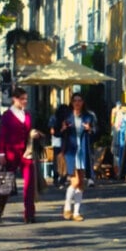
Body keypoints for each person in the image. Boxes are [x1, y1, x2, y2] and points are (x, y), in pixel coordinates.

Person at [0, 87, 36, 223]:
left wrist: (34, 135)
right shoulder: (7, 115)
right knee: (6, 184)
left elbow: (29, 131)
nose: (25, 101)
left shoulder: (27, 114)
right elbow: (2, 136)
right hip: (11, 153)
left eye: (26, 99)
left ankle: (29, 213)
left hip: (26, 153)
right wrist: (1, 154)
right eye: (22, 99)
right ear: (14, 99)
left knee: (29, 183)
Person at [61, 93, 96, 221]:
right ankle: (67, 207)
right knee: (74, 181)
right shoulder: (67, 118)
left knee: (81, 183)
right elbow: (58, 133)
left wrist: (90, 129)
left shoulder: (88, 117)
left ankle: (76, 212)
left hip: (83, 152)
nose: (77, 103)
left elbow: (95, 133)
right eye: (75, 100)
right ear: (71, 102)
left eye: (79, 100)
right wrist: (63, 129)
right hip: (71, 152)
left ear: (83, 102)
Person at [49, 101, 72, 187]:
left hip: (58, 142)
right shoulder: (66, 119)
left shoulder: (54, 118)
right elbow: (53, 131)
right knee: (62, 161)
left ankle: (58, 178)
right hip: (63, 141)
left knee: (57, 161)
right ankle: (61, 177)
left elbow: (52, 131)